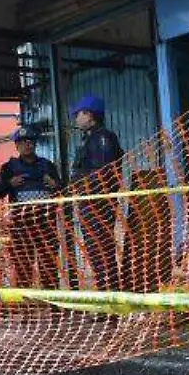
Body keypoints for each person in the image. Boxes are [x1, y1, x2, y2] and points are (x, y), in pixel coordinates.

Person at [0, 125, 63, 288]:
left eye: (30, 141)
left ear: (36, 144)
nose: (27, 145)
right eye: (23, 142)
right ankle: (26, 306)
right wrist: (9, 183)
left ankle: (52, 304)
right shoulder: (9, 167)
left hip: (46, 225)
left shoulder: (48, 165)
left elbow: (62, 189)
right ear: (16, 146)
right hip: (21, 226)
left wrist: (54, 184)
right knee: (23, 265)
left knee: (49, 266)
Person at [66, 94, 123, 290]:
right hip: (88, 203)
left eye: (78, 114)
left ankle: (111, 296)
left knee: (102, 251)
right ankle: (104, 294)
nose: (76, 119)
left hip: (98, 205)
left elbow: (103, 173)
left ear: (89, 115)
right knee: (94, 251)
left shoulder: (103, 138)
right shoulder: (89, 139)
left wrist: (79, 181)